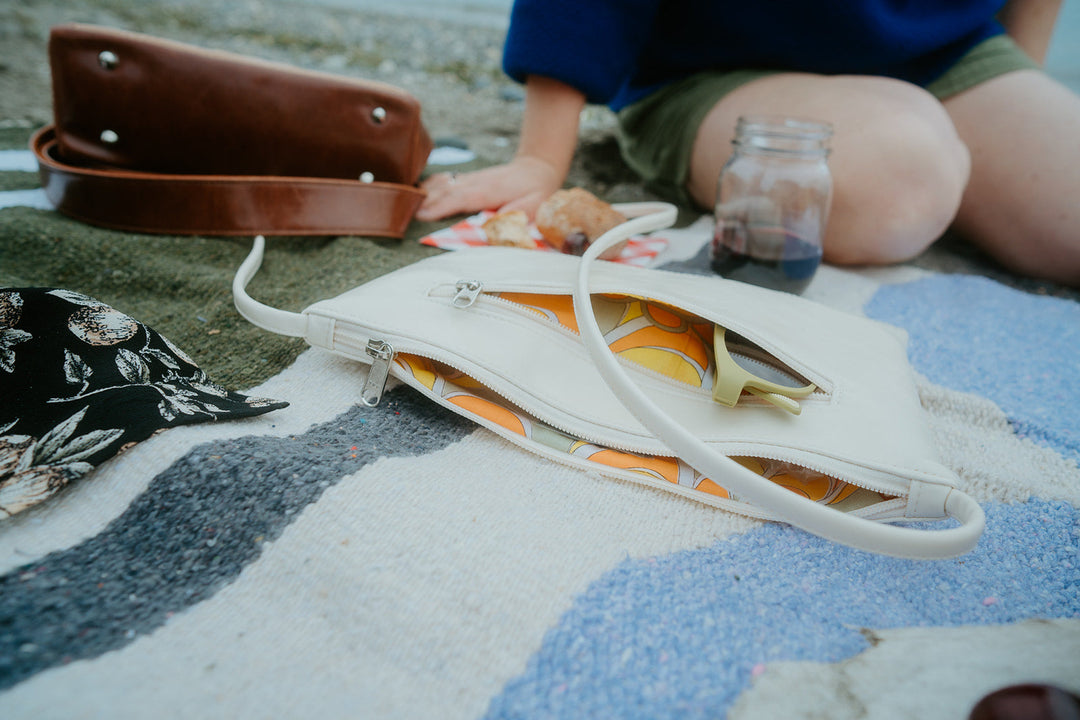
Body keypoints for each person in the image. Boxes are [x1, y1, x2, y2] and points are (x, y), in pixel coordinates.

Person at [417, 0, 1080, 287]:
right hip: (712, 65)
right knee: (903, 179)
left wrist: (1013, 89)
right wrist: (541, 155)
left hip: (947, 50)